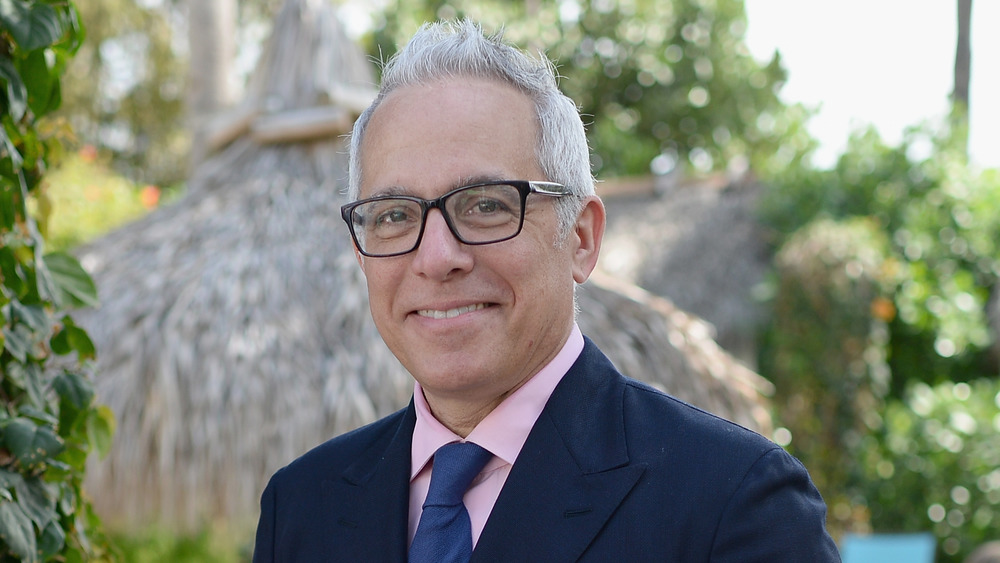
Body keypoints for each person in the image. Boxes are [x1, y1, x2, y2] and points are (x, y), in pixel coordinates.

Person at [253, 19, 840, 562]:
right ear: (361, 250)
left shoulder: (734, 501)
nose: (436, 258)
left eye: (485, 205)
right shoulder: (301, 507)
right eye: (393, 215)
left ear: (581, 238)